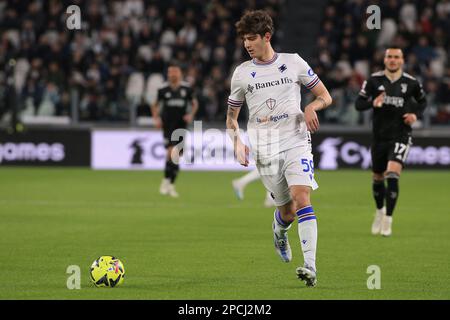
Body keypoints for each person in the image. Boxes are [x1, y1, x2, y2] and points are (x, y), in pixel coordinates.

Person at [226, 10, 332, 287]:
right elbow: (231, 118)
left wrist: (311, 106)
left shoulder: (293, 62)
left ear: (267, 37)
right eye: (244, 40)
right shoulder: (242, 74)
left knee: (303, 199)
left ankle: (310, 266)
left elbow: (325, 96)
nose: (247, 44)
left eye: (252, 38)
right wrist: (236, 142)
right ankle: (279, 231)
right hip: (264, 148)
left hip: (296, 140)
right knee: (286, 212)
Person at [355, 48, 426, 236]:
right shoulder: (373, 80)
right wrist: (373, 103)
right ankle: (379, 211)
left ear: (402, 60)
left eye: (396, 57)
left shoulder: (411, 83)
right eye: (389, 57)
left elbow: (423, 102)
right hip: (379, 137)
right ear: (384, 60)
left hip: (401, 135)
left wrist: (414, 115)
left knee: (392, 174)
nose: (393, 60)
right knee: (378, 177)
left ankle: (388, 219)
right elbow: (358, 104)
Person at [151, 63, 198, 198]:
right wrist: (156, 118)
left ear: (179, 73)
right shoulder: (163, 89)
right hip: (168, 125)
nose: (173, 74)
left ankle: (169, 183)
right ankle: (167, 182)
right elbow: (154, 105)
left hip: (181, 125)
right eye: (170, 72)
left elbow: (195, 103)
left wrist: (191, 115)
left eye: (175, 72)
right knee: (172, 152)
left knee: (176, 156)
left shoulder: (186, 89)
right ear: (168, 74)